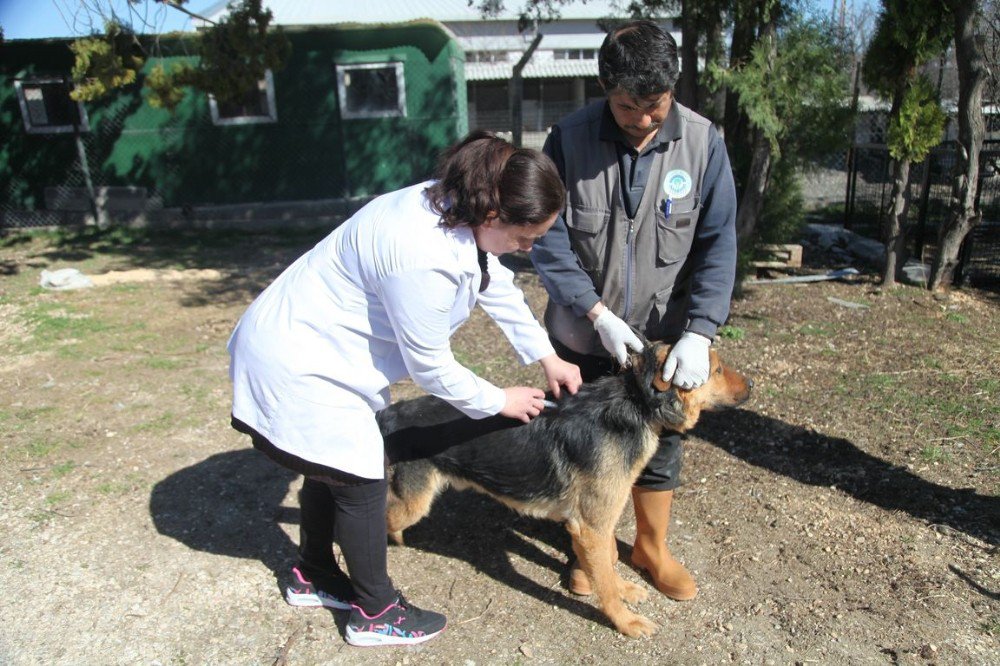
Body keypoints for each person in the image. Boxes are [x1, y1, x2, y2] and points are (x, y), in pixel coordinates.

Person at [228, 131, 582, 647]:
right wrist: (498, 400)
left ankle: (312, 574)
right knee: (359, 476)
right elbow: (431, 367)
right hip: (298, 359)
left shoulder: (457, 205)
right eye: (526, 238)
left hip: (315, 346)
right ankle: (374, 612)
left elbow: (492, 280)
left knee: (330, 465)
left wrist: (545, 354)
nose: (528, 249)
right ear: (492, 216)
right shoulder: (421, 253)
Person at [530, 19, 738, 602]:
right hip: (584, 331)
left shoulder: (703, 144)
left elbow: (718, 243)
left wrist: (700, 330)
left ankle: (651, 546)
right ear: (605, 89)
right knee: (582, 445)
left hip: (665, 337)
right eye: (628, 106)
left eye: (656, 105)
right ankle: (590, 551)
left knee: (660, 443)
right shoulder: (568, 139)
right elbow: (547, 238)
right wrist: (594, 311)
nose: (644, 119)